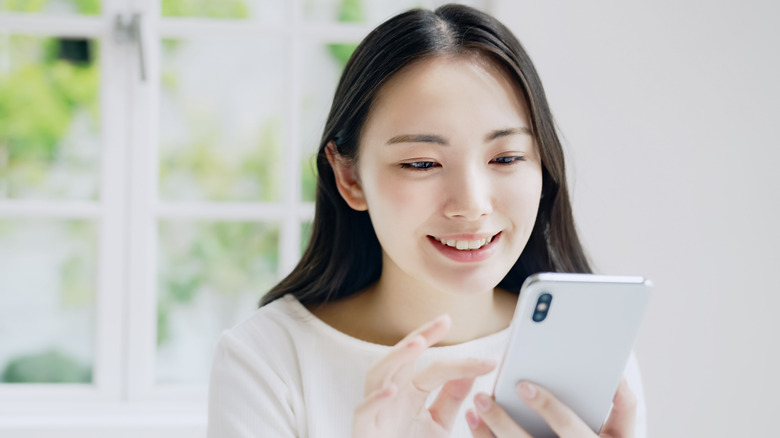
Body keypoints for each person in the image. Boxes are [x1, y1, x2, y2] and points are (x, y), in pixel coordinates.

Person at [207, 4, 647, 437]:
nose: (471, 205)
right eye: (421, 163)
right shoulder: (268, 361)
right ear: (349, 176)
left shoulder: (591, 356)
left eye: (506, 157)